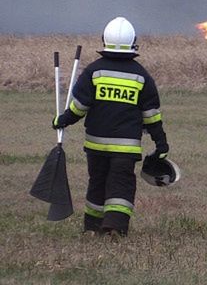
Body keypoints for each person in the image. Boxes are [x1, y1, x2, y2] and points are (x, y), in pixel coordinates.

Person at [52, 16, 169, 237]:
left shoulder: (94, 71)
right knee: (121, 184)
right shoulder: (141, 76)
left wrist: (63, 120)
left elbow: (80, 106)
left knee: (97, 182)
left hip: (96, 145)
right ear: (133, 41)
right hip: (126, 148)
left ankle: (92, 228)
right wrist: (161, 142)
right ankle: (114, 226)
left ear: (104, 40)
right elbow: (151, 115)